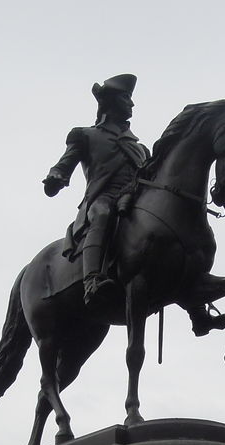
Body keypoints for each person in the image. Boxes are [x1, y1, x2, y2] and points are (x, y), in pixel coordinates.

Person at [43, 73, 150, 304]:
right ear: (111, 101)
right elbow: (64, 164)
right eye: (126, 98)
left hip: (134, 200)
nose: (132, 104)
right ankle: (92, 280)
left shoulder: (140, 149)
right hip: (103, 197)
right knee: (102, 213)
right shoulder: (85, 135)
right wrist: (56, 175)